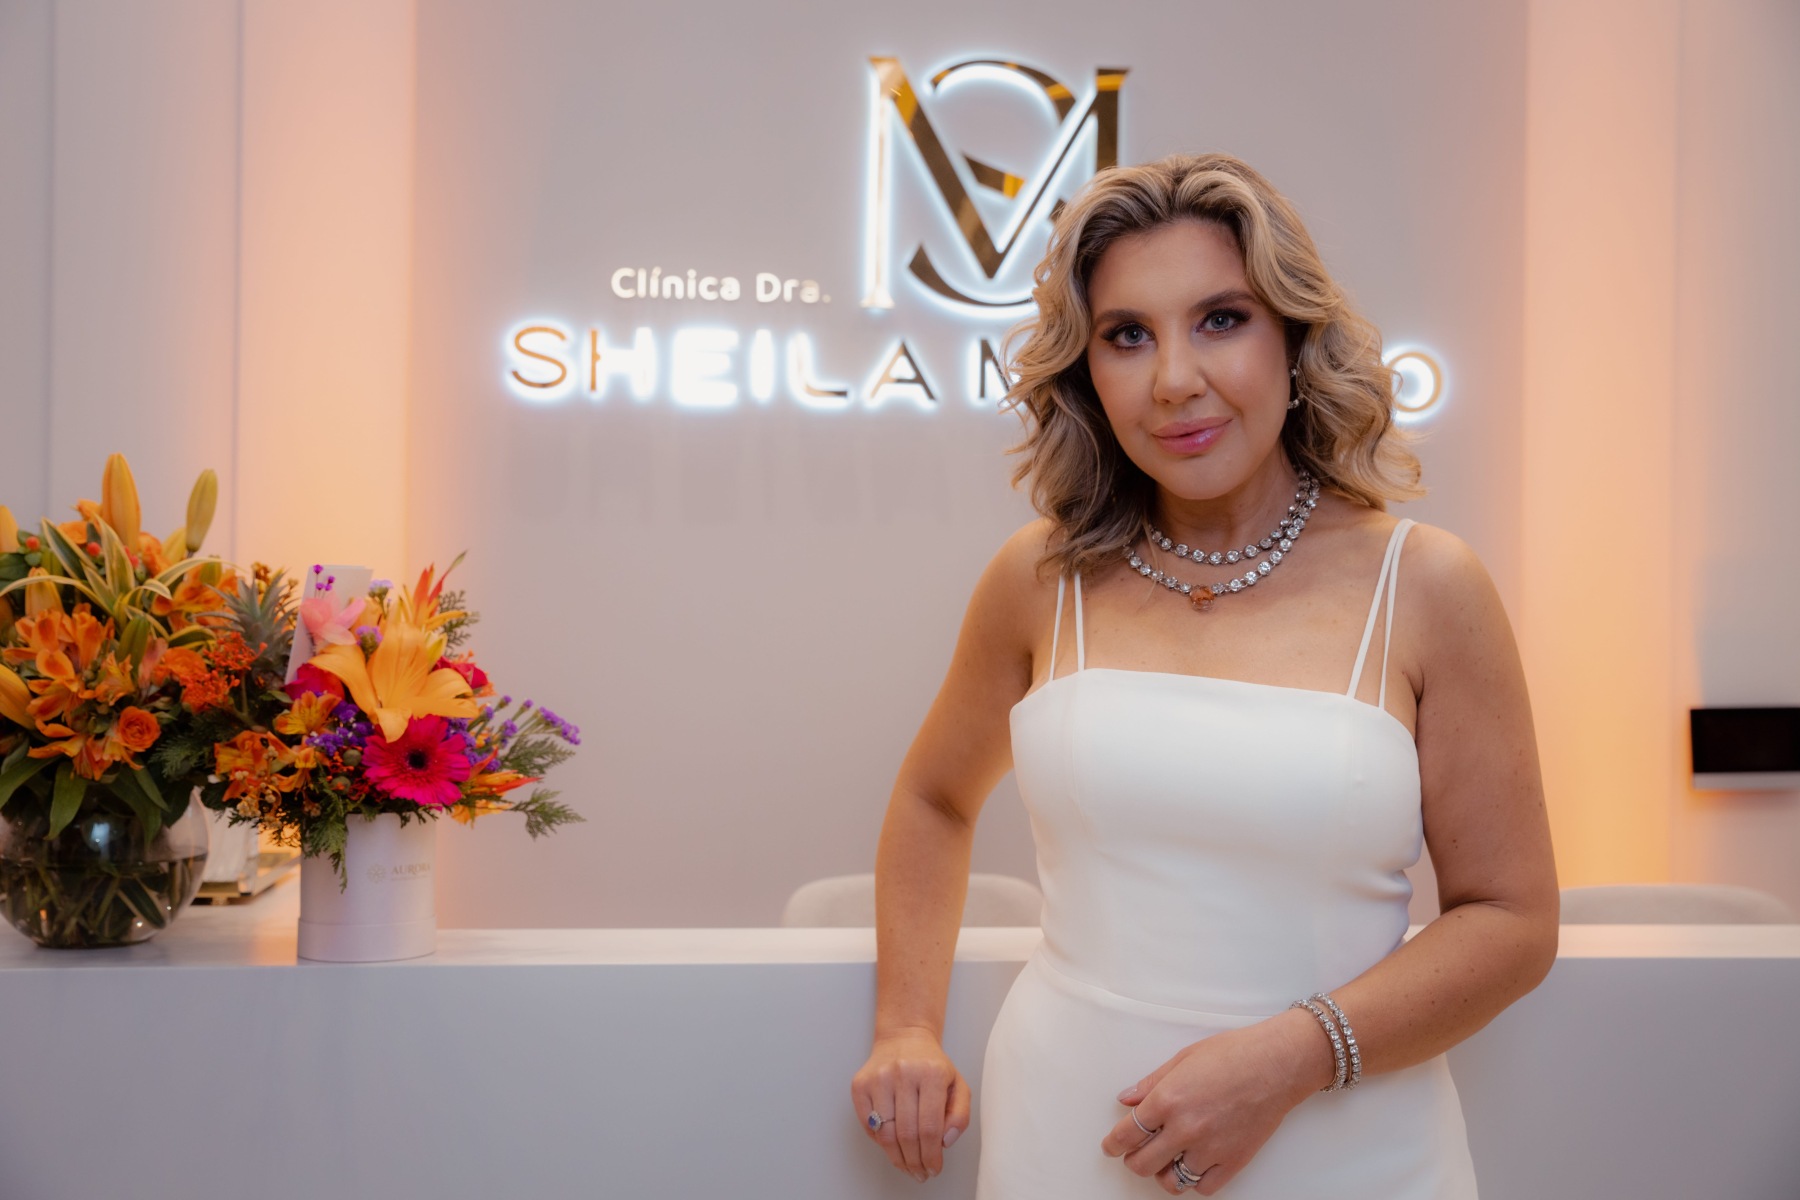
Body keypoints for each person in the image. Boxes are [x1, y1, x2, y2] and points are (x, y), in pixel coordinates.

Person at [849, 152, 1559, 1197]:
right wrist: (907, 1024)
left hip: (1349, 1144)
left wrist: (1289, 1059)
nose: (1174, 378)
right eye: (1127, 335)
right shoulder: (1039, 579)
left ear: (1294, 339)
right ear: (1087, 374)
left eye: (1221, 319)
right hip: (1068, 1134)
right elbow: (933, 798)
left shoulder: (1425, 585)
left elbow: (1511, 921)